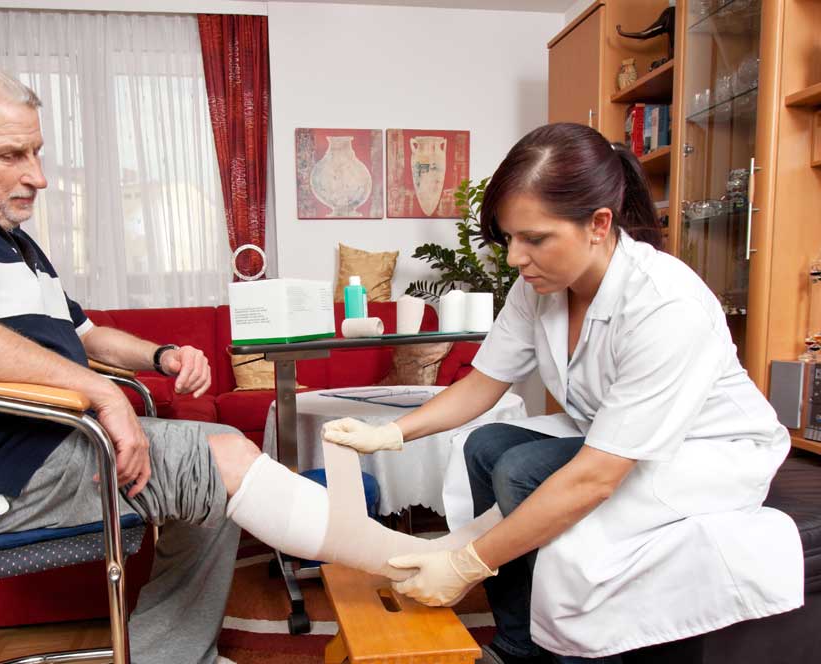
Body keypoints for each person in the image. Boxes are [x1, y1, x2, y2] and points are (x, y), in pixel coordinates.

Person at [0, 54, 387, 663]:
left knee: (211, 473)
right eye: (12, 156)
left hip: (39, 446)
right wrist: (102, 393)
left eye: (37, 152)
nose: (38, 176)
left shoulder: (11, 239)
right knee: (223, 459)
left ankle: (167, 655)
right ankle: (405, 560)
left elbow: (86, 334)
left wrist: (161, 354)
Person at [322, 123, 805, 664]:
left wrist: (466, 564)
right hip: (615, 434)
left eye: (534, 238)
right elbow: (483, 383)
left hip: (706, 451)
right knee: (485, 448)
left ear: (599, 224)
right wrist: (391, 431)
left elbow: (596, 477)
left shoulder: (665, 305)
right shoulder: (542, 287)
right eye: (509, 238)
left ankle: (567, 651)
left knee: (521, 471)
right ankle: (518, 644)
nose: (514, 258)